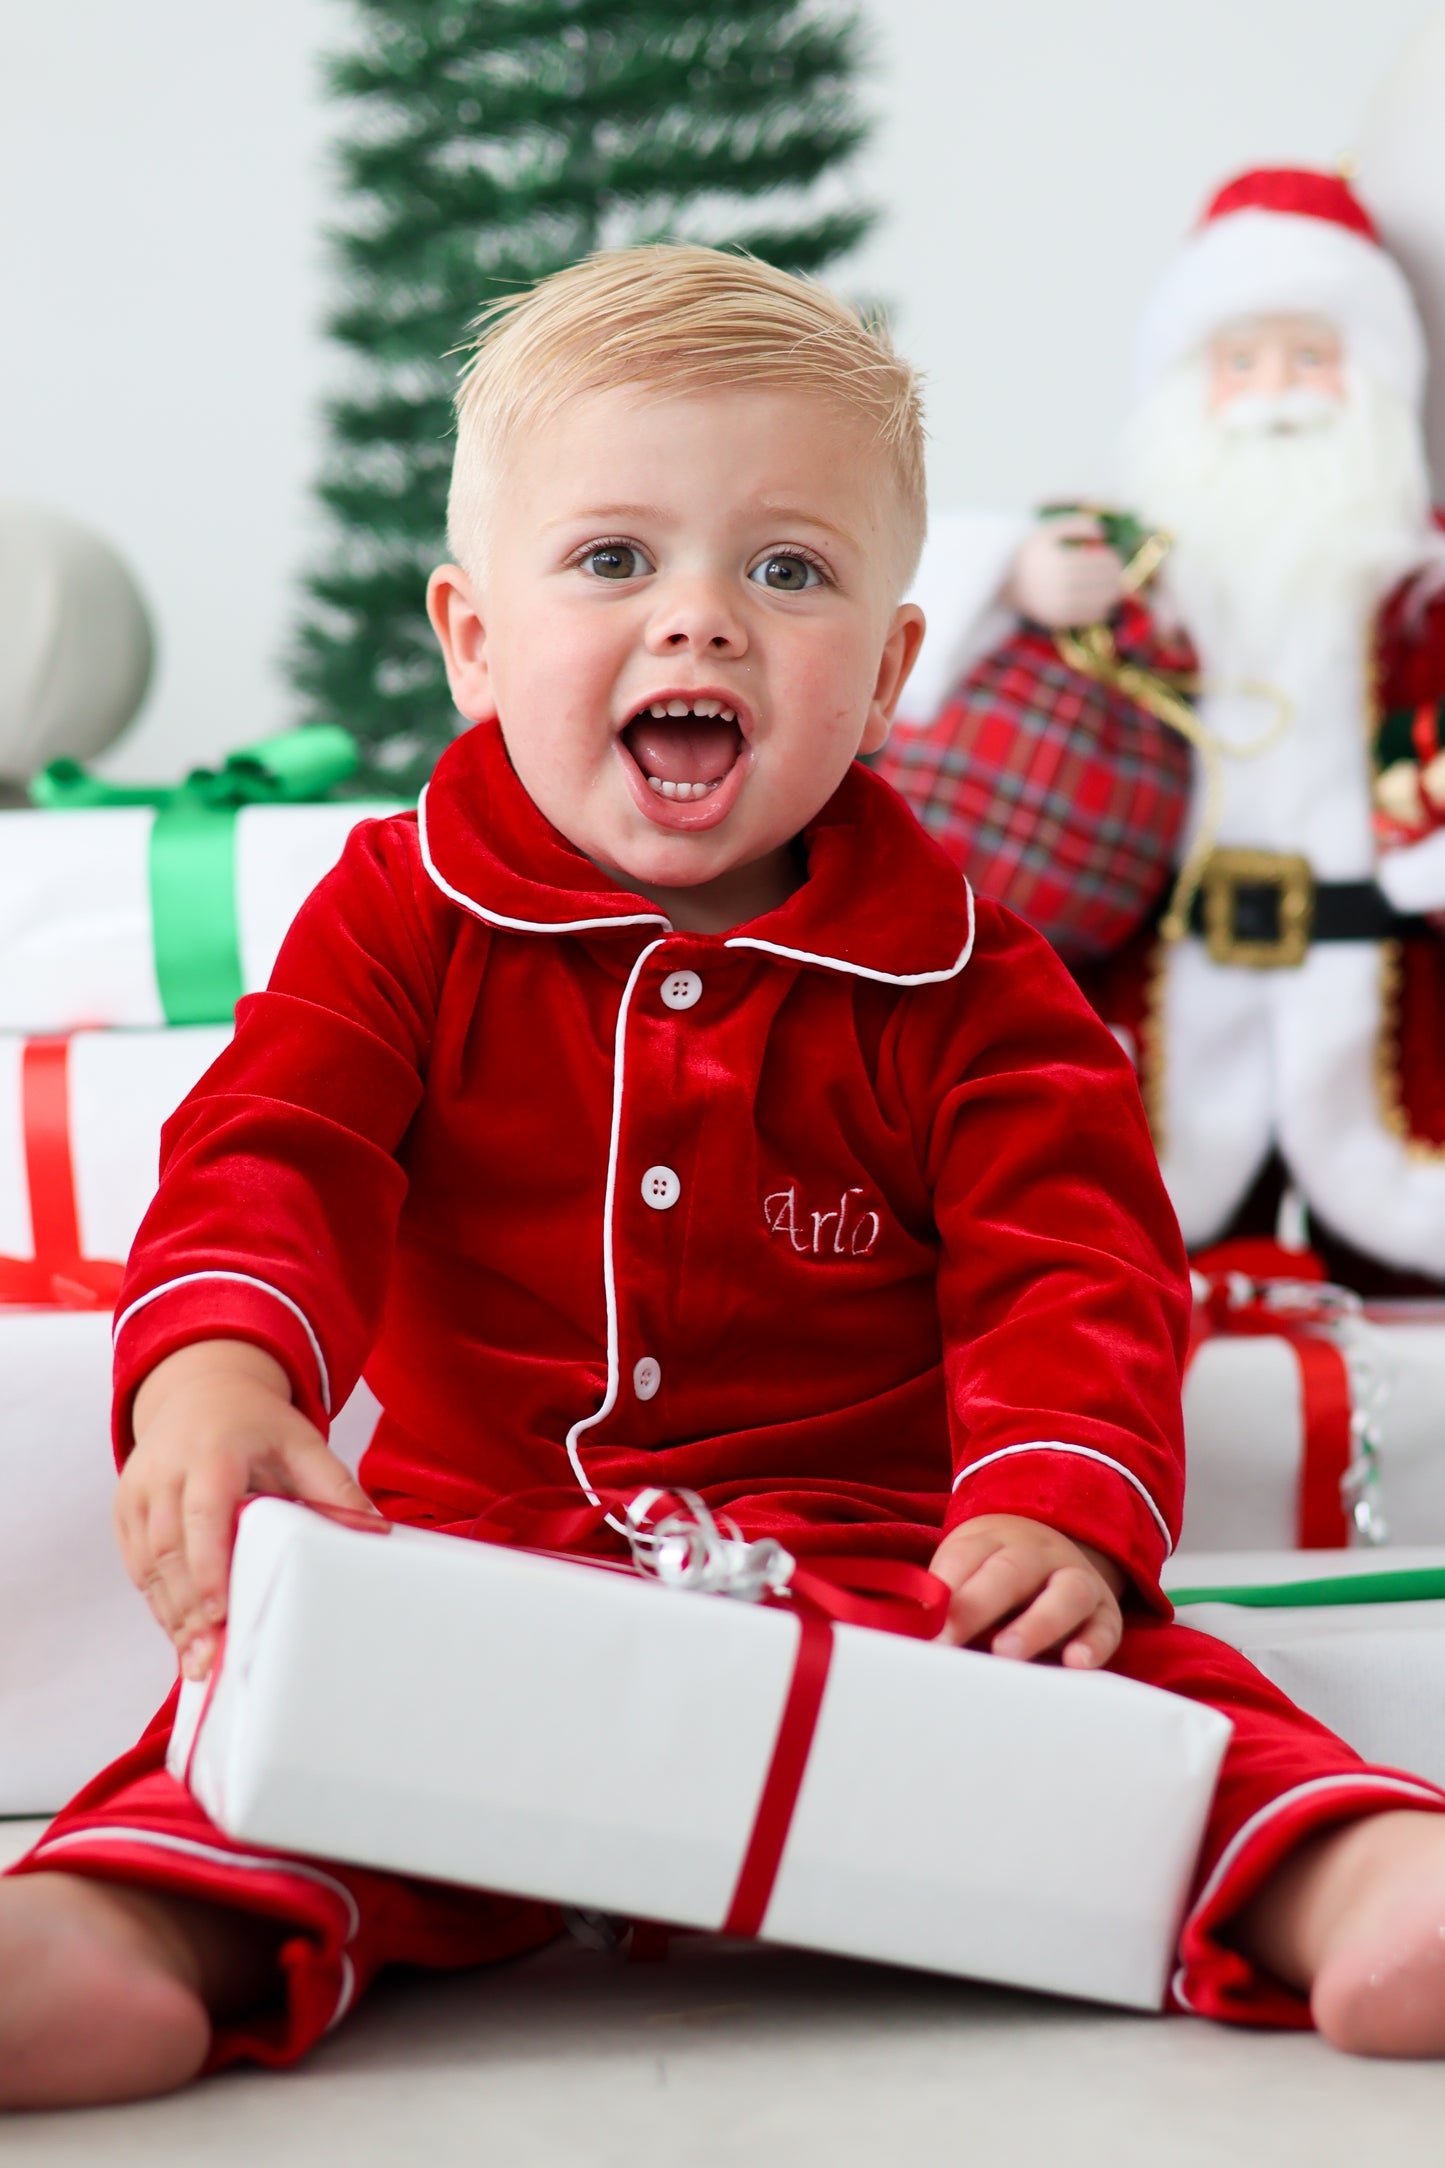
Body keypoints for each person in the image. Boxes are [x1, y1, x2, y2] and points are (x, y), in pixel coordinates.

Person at [5, 245, 1445, 2111]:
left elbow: (1073, 1263)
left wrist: (1056, 1504)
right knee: (262, 1714)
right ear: (472, 637)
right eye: (614, 560)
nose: (702, 620)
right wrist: (218, 1375)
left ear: (893, 674)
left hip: (879, 1568)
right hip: (466, 1564)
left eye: (789, 568)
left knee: (1149, 1714)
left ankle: (1344, 1875)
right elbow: (276, 1147)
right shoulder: (400, 916)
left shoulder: (973, 977)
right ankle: (134, 1926)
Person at [881, 168, 1445, 1287]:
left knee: (1402, 1279)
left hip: (1378, 982)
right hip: (1168, 973)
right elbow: (925, 572)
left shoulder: (1412, 577)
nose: (1275, 392)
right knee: (1121, 1266)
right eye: (1238, 363)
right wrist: (1019, 574)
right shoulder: (1134, 559)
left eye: (1308, 358)